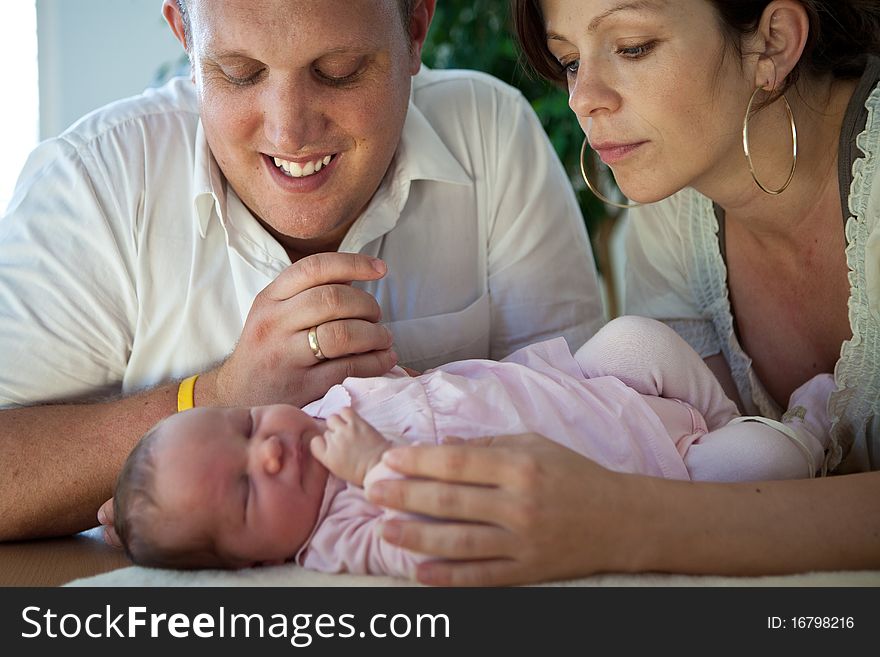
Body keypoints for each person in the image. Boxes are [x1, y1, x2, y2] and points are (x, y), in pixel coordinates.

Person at [0, 0, 604, 541]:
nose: (289, 130)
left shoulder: (488, 135)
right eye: (239, 73)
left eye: (338, 70)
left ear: (416, 26)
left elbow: (588, 416)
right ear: (185, 35)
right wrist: (218, 397)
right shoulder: (93, 183)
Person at [356, 0, 880, 586]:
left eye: (632, 48)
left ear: (774, 41)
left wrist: (627, 521)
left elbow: (671, 506)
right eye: (571, 61)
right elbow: (696, 455)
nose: (583, 98)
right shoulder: (676, 211)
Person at [112, 316, 834, 576]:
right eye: (244, 490)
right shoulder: (341, 536)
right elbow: (430, 545)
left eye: (244, 428)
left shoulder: (322, 408)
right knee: (764, 465)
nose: (267, 450)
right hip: (661, 473)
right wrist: (376, 469)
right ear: (257, 560)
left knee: (634, 336)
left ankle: (730, 411)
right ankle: (808, 428)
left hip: (581, 385)